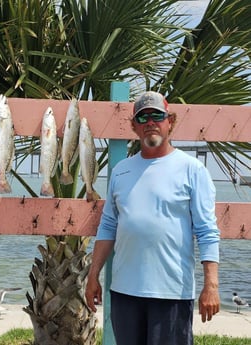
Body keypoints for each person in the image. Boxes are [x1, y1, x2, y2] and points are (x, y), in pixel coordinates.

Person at [85, 91, 220, 345]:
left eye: (157, 115)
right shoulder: (121, 171)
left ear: (170, 121)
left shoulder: (193, 170)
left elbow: (207, 231)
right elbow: (108, 226)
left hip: (171, 294)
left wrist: (211, 285)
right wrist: (93, 275)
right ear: (134, 127)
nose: (150, 122)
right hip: (124, 293)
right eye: (143, 117)